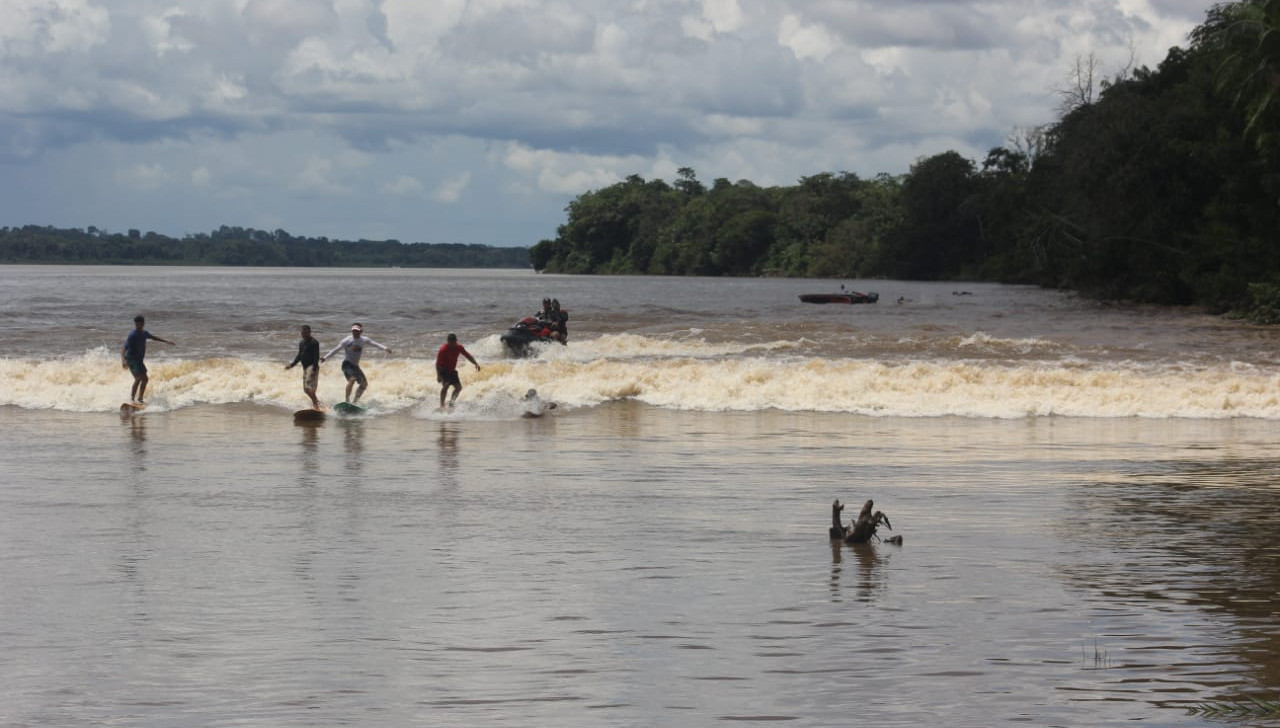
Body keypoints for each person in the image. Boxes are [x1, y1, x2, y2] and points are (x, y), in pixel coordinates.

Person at [321, 323, 392, 404]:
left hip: (355, 366)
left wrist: (385, 348)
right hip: (347, 364)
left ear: (361, 331)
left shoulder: (364, 340)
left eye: (357, 331)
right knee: (352, 379)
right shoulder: (347, 341)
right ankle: (347, 401)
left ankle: (355, 402)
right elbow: (335, 350)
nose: (355, 332)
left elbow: (375, 344)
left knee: (364, 384)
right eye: (353, 331)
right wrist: (325, 357)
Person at [121, 315, 175, 404]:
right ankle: (131, 399)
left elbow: (154, 338)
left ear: (143, 323)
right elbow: (124, 348)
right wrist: (123, 360)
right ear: (135, 324)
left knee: (145, 379)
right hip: (131, 359)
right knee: (138, 378)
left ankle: (140, 399)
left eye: (141, 323)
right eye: (137, 323)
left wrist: (166, 341)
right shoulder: (132, 335)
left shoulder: (144, 333)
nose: (139, 325)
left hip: (139, 360)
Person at [436, 333, 480, 409]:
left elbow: (467, 355)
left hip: (452, 370)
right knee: (446, 385)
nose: (452, 345)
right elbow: (437, 364)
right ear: (448, 342)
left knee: (458, 388)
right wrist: (439, 375)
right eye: (451, 343)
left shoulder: (459, 347)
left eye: (454, 343)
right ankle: (442, 405)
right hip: (443, 369)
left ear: (456, 341)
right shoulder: (443, 350)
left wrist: (475, 363)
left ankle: (451, 403)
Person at [285, 324, 322, 409]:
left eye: (305, 332)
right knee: (309, 389)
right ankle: (317, 402)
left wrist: (314, 369)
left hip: (312, 368)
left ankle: (316, 404)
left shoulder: (314, 342)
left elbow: (316, 356)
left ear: (309, 332)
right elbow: (299, 355)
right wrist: (292, 365)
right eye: (302, 332)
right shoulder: (301, 343)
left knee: (307, 389)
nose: (304, 334)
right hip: (305, 369)